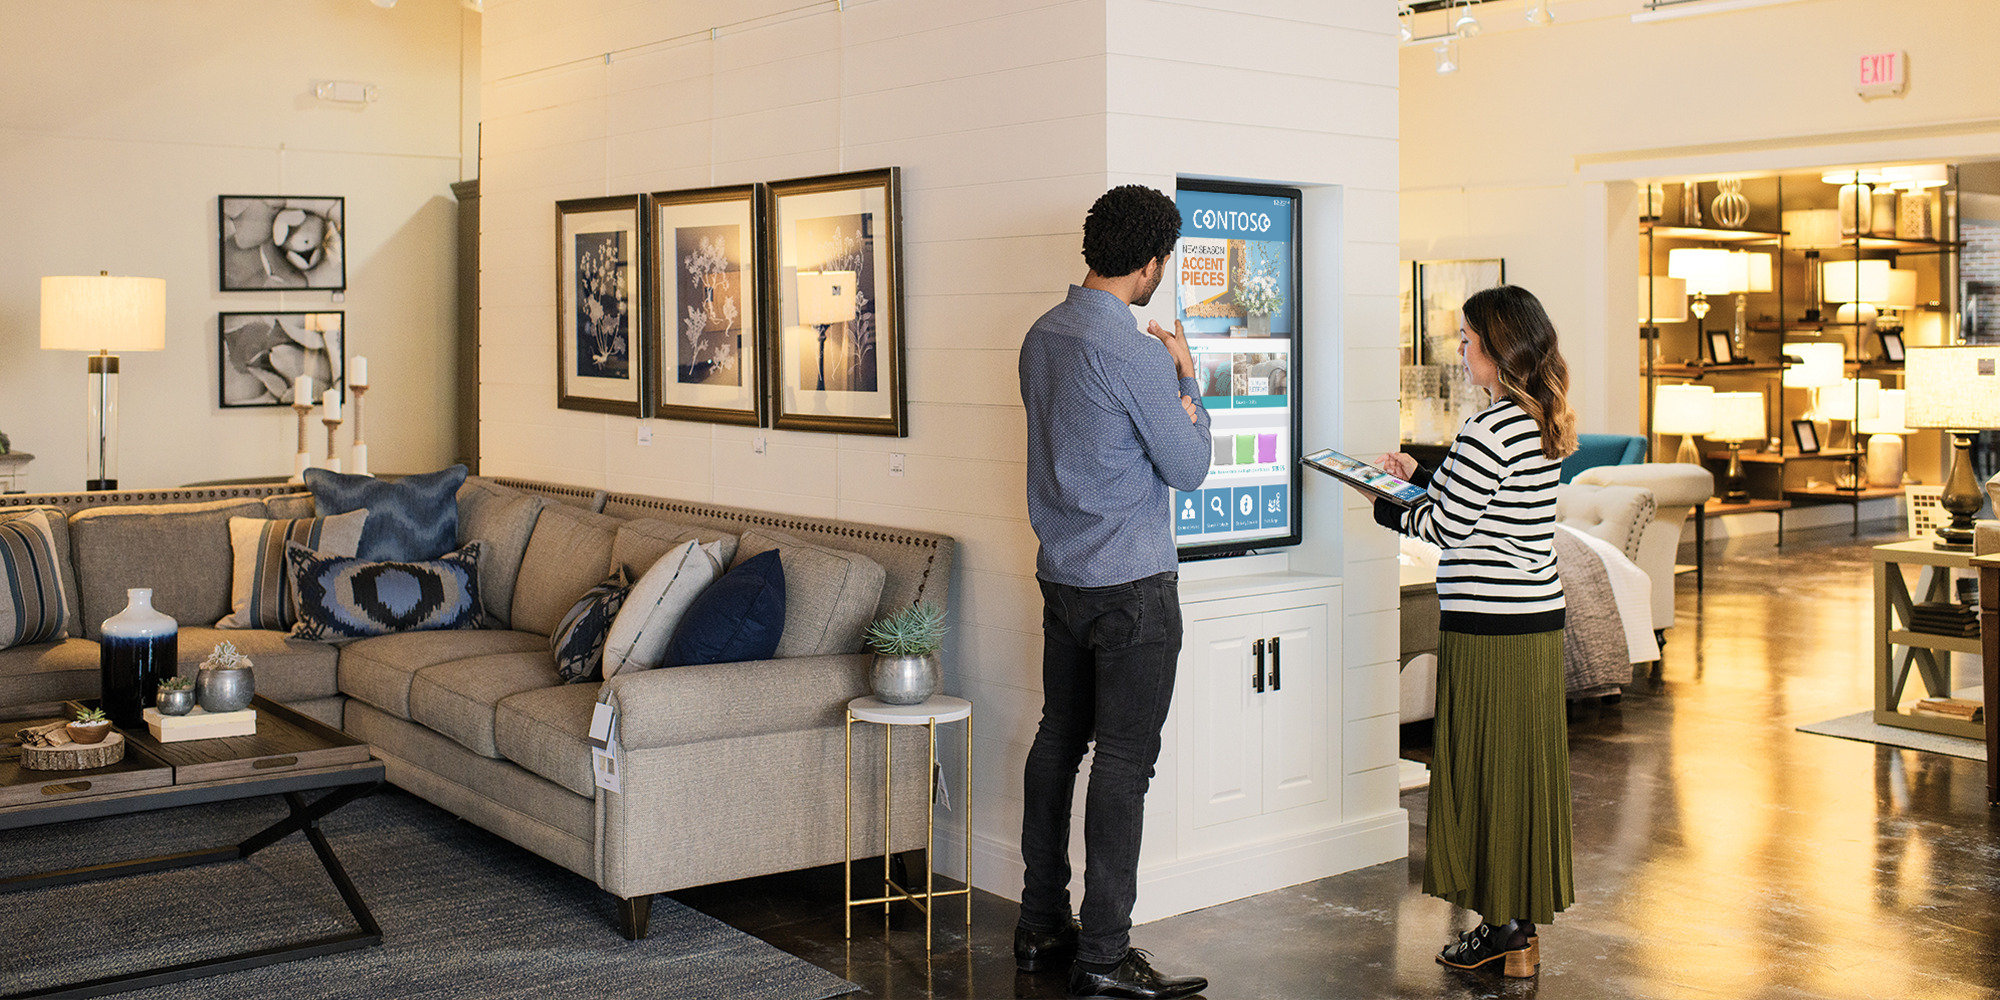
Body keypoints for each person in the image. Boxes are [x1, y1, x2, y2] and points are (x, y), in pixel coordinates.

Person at [1016, 184, 1212, 1000]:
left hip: (1062, 577)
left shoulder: (1042, 335)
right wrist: (1188, 380)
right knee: (1124, 763)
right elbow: (1192, 468)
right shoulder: (1133, 351)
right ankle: (1102, 954)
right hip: (1132, 588)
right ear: (1151, 263)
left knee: (1059, 739)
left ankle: (1039, 926)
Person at [1375, 284, 1577, 979]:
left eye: (1466, 340)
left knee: (1486, 772)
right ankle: (1514, 929)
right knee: (1517, 773)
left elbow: (1446, 526)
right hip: (1533, 621)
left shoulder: (1488, 428)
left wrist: (1385, 503)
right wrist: (1423, 474)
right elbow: (1483, 501)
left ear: (1497, 348)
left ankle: (1503, 932)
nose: (1459, 351)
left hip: (1488, 628)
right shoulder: (1537, 418)